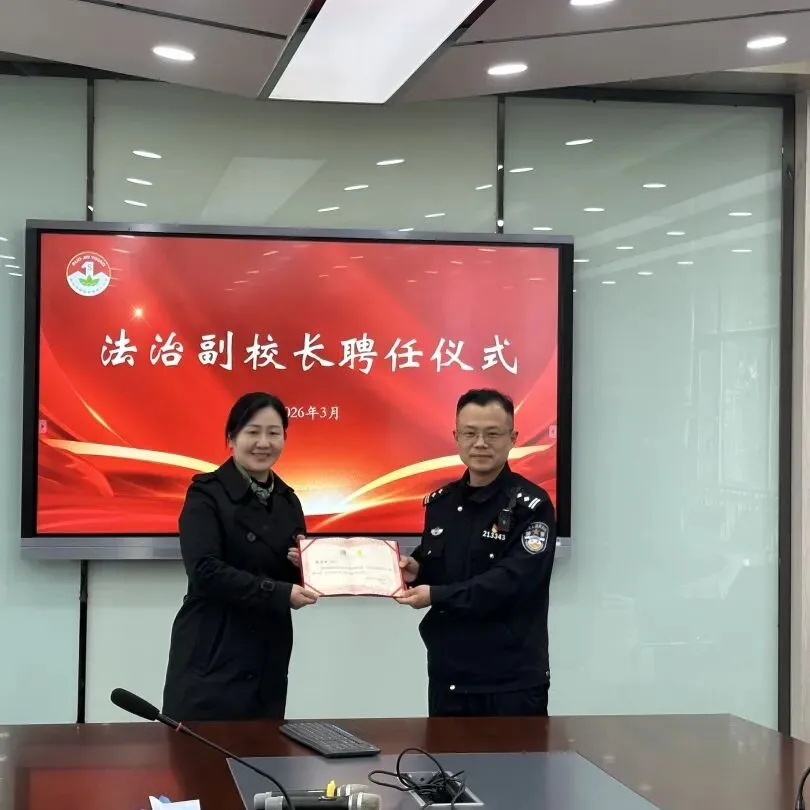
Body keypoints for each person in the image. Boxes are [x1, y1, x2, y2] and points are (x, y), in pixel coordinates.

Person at [396, 388, 556, 718]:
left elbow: (511, 582)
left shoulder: (532, 506)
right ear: (456, 438)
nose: (480, 443)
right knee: (445, 754)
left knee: (515, 756)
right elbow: (441, 567)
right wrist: (417, 570)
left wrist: (436, 595)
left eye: (492, 434)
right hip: (449, 676)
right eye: (470, 433)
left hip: (510, 681)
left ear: (513, 438)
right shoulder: (440, 504)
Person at [162, 391, 318, 721]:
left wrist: (305, 568)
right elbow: (204, 570)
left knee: (263, 749)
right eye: (253, 432)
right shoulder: (206, 493)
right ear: (232, 438)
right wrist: (279, 592)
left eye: (274, 433)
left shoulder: (288, 501)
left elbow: (289, 576)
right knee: (200, 751)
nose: (263, 443)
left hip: (268, 658)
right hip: (213, 652)